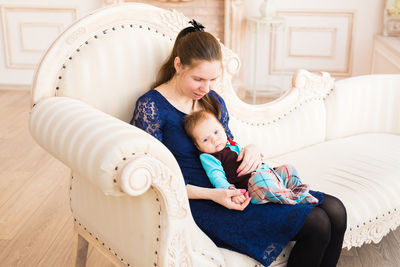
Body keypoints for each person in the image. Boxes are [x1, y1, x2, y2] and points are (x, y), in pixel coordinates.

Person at [131, 19, 347, 267]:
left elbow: (227, 145)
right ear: (178, 65)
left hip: (236, 187)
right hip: (202, 202)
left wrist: (251, 149)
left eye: (213, 80)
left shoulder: (212, 101)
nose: (206, 88)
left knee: (337, 211)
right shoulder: (151, 107)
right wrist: (216, 194)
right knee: (317, 224)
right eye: (199, 79)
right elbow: (156, 177)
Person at [184, 110, 319, 205]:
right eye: (206, 139)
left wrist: (253, 151)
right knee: (262, 180)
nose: (214, 139)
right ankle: (293, 198)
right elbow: (216, 176)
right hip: (252, 187)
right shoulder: (208, 157)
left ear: (223, 129)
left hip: (268, 173)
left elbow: (250, 156)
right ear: (198, 146)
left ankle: (299, 191)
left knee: (288, 168)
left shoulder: (232, 144)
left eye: (216, 132)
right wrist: (231, 191)